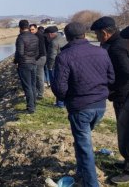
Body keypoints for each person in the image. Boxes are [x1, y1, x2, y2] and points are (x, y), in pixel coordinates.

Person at [52, 22, 115, 187]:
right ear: (85, 35)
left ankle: (91, 183)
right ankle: (81, 171)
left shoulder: (64, 57)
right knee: (82, 140)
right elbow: (111, 78)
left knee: (85, 146)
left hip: (80, 108)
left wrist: (69, 98)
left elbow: (59, 88)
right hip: (100, 106)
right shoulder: (101, 52)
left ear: (66, 37)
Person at [91, 17, 129, 184]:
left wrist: (111, 88)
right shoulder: (120, 41)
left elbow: (125, 72)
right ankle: (127, 163)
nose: (97, 38)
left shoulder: (117, 48)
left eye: (98, 35)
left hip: (123, 95)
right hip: (123, 94)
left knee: (126, 132)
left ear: (105, 33)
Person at [14, 19, 39, 113]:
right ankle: (34, 105)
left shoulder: (20, 38)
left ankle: (31, 108)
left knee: (27, 86)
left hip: (24, 64)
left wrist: (16, 61)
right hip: (33, 63)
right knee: (32, 85)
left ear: (20, 28)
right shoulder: (35, 37)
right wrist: (32, 58)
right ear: (28, 27)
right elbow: (37, 52)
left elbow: (19, 53)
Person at [44, 26, 67, 107]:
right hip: (65, 65)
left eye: (46, 36)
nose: (46, 38)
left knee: (56, 85)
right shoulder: (64, 39)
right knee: (63, 84)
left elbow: (52, 56)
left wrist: (49, 67)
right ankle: (64, 102)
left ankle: (60, 104)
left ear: (50, 34)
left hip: (55, 66)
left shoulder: (54, 42)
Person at [30, 24, 47, 99]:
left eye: (32, 29)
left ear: (36, 29)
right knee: (37, 76)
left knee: (39, 76)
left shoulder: (39, 36)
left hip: (40, 58)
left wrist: (34, 58)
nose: (31, 31)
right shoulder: (35, 36)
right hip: (39, 57)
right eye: (30, 30)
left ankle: (40, 94)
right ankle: (38, 92)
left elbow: (41, 50)